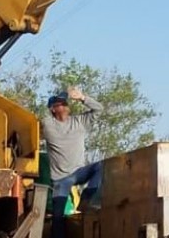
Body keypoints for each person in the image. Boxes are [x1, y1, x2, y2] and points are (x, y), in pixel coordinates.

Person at [41, 85, 104, 238]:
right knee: (57, 217)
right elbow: (37, 121)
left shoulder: (80, 121)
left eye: (65, 103)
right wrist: (59, 96)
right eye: (60, 104)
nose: (64, 105)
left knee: (101, 166)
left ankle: (86, 199)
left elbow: (99, 109)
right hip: (60, 179)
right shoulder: (48, 124)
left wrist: (82, 98)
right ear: (53, 109)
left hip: (79, 172)